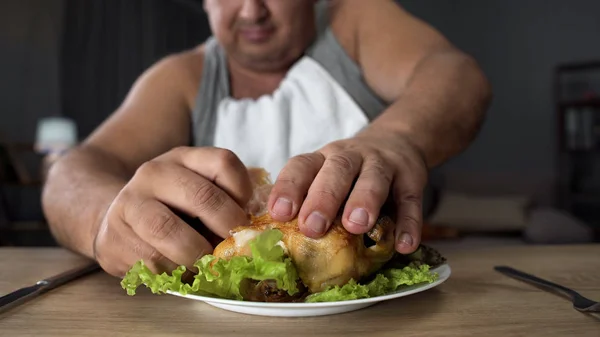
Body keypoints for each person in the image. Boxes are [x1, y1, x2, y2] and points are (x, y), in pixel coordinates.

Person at [42, 0, 491, 278]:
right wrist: (105, 222)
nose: (252, 9)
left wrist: (396, 138)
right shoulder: (182, 78)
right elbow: (74, 171)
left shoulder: (355, 21)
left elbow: (457, 76)